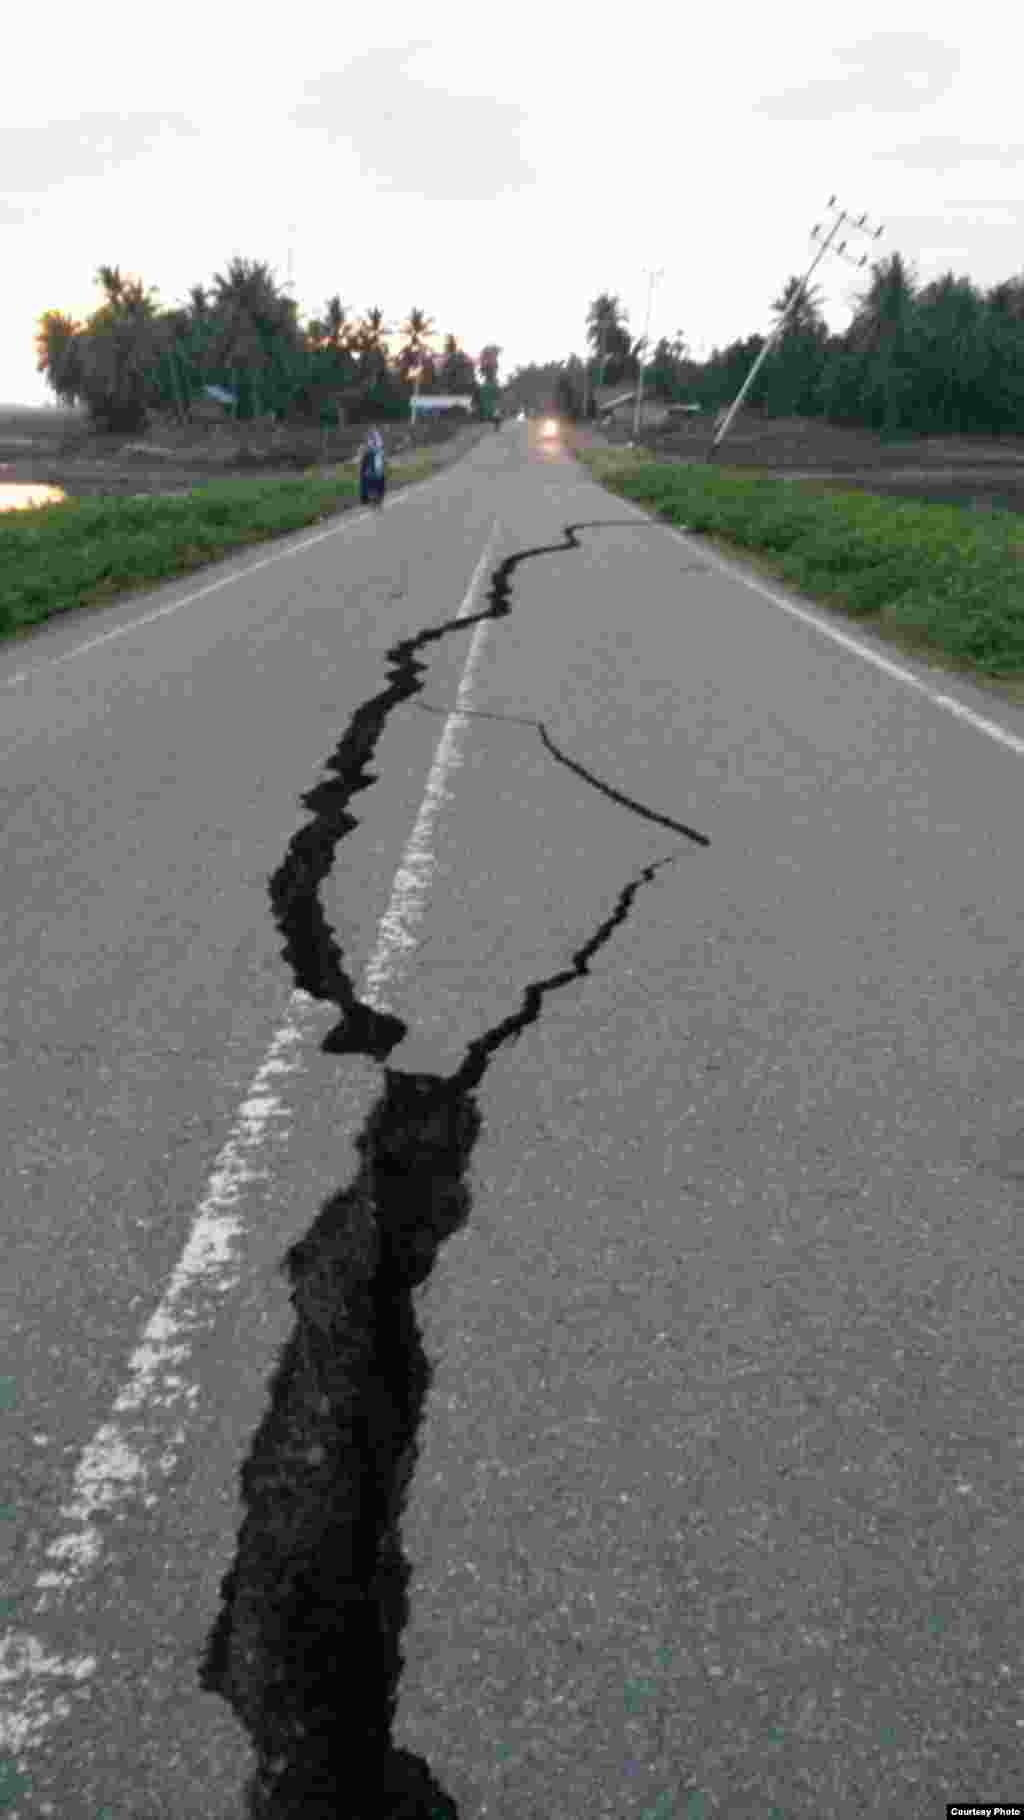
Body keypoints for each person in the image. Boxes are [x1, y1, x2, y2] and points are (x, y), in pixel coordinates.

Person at [359, 426, 386, 506]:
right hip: (371, 455)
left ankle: (378, 495)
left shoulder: (376, 437)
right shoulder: (369, 438)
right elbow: (366, 449)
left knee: (379, 474)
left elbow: (379, 447)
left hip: (376, 456)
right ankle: (367, 497)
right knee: (365, 474)